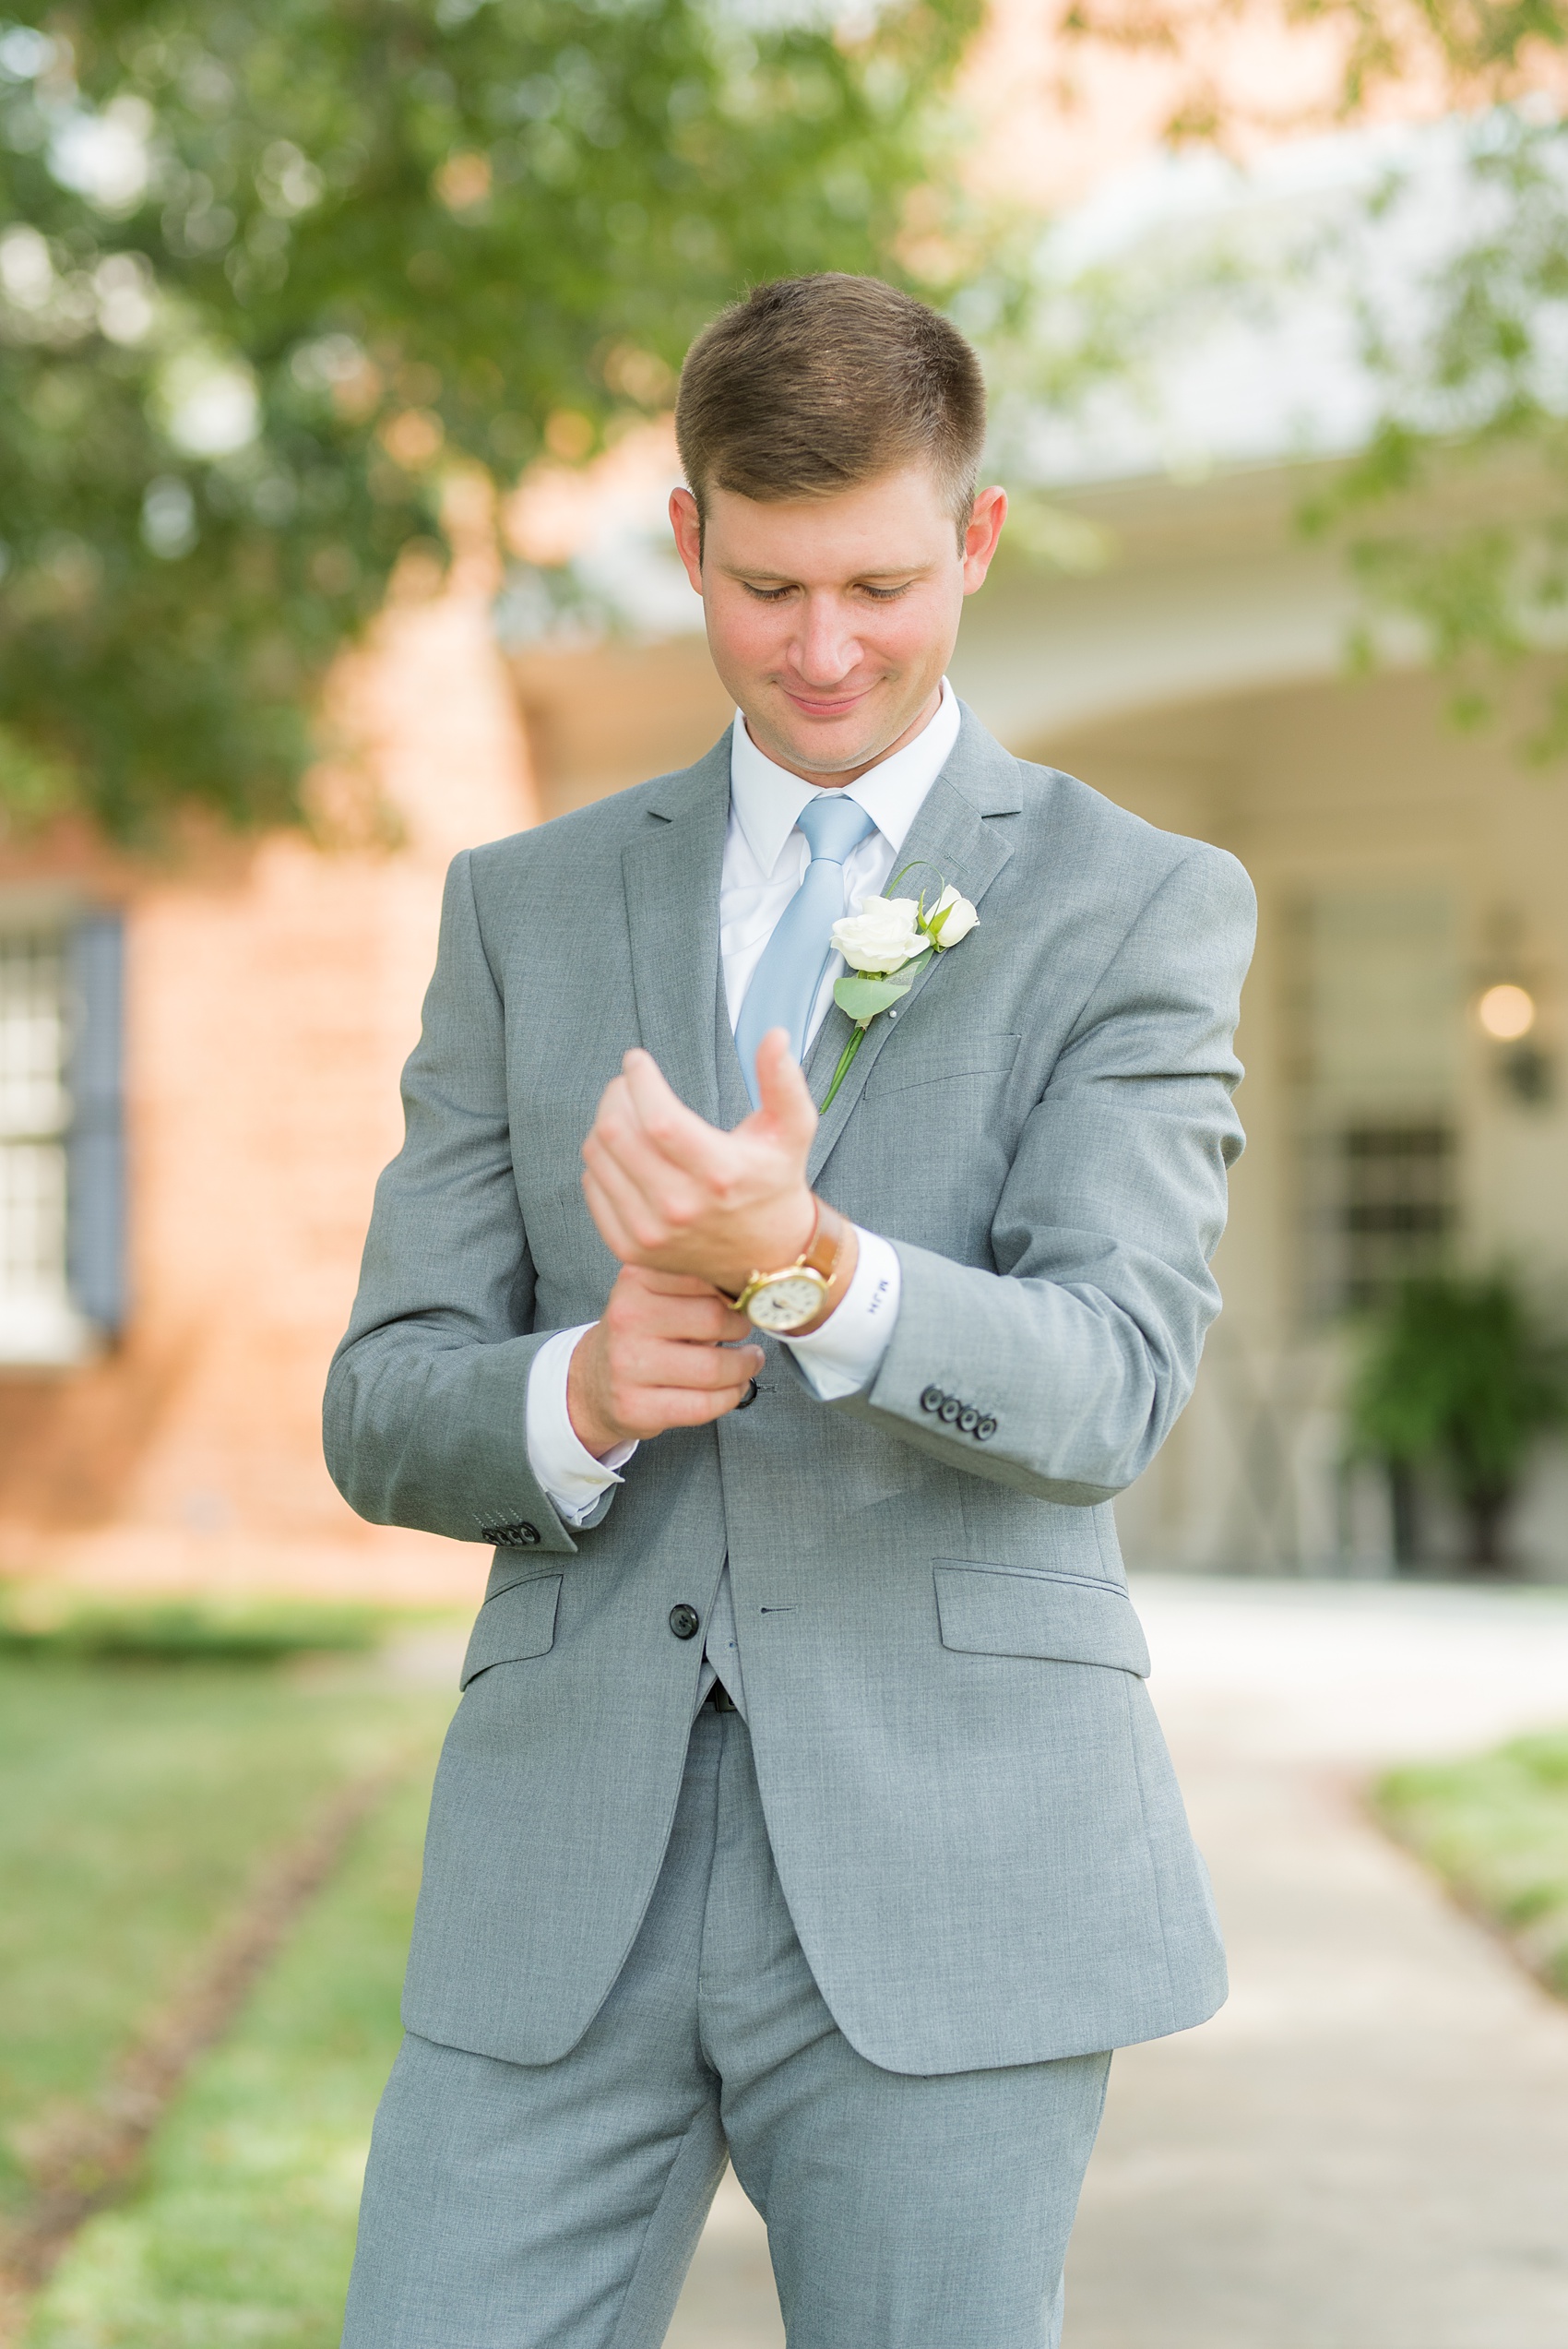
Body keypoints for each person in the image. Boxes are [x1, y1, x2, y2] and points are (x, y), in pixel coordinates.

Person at [326, 272, 1254, 2349]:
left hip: (960, 1855)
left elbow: (1110, 1377)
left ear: (977, 543)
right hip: (562, 1869)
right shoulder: (521, 909)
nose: (824, 650)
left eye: (879, 583)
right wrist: (574, 1389)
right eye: (766, 586)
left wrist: (816, 1273)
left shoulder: (1137, 902)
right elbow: (380, 1400)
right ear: (685, 544)